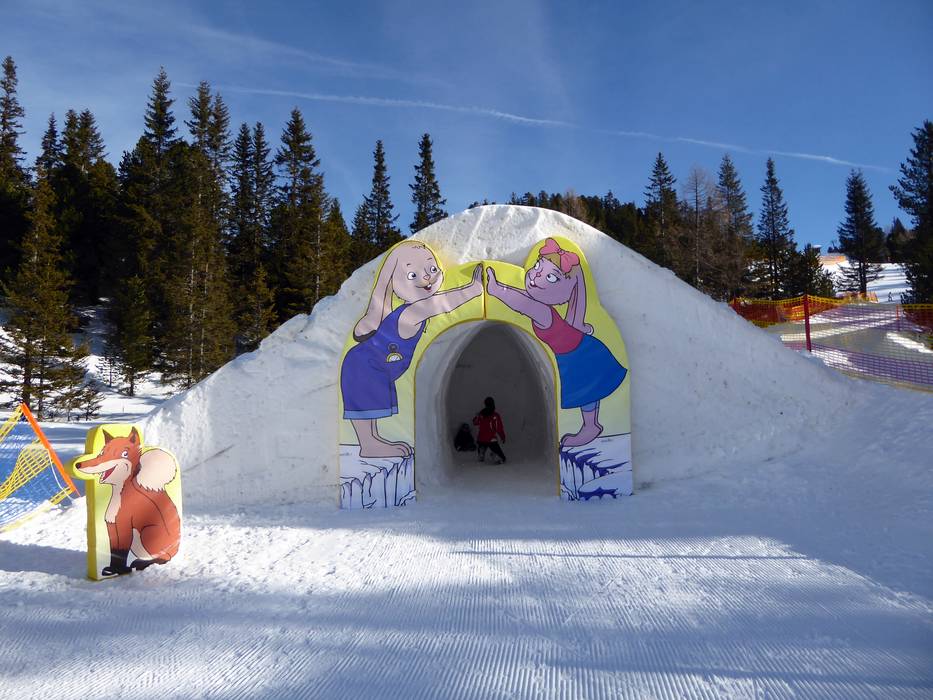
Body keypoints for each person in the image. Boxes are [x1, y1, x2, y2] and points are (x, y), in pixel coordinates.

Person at [341, 242, 482, 458]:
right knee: (366, 402)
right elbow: (441, 303)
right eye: (412, 275)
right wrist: (472, 289)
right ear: (395, 283)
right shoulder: (413, 311)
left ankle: (372, 440)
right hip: (364, 366)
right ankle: (369, 444)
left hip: (370, 365)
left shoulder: (412, 310)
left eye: (432, 269)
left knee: (369, 403)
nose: (426, 278)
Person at [486, 237, 627, 449]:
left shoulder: (542, 311)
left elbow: (522, 303)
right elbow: (525, 298)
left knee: (587, 390)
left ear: (568, 290)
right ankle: (592, 425)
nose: (536, 276)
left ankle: (591, 426)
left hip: (577, 354)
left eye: (551, 277)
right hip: (580, 349)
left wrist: (497, 290)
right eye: (537, 267)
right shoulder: (543, 308)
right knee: (589, 390)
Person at [473, 397, 507, 464]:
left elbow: (475, 422)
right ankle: (495, 453)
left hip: (481, 438)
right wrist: (503, 437)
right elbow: (499, 428)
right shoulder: (495, 416)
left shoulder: (481, 414)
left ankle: (482, 450)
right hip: (491, 439)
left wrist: (477, 417)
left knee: (483, 442)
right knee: (503, 458)